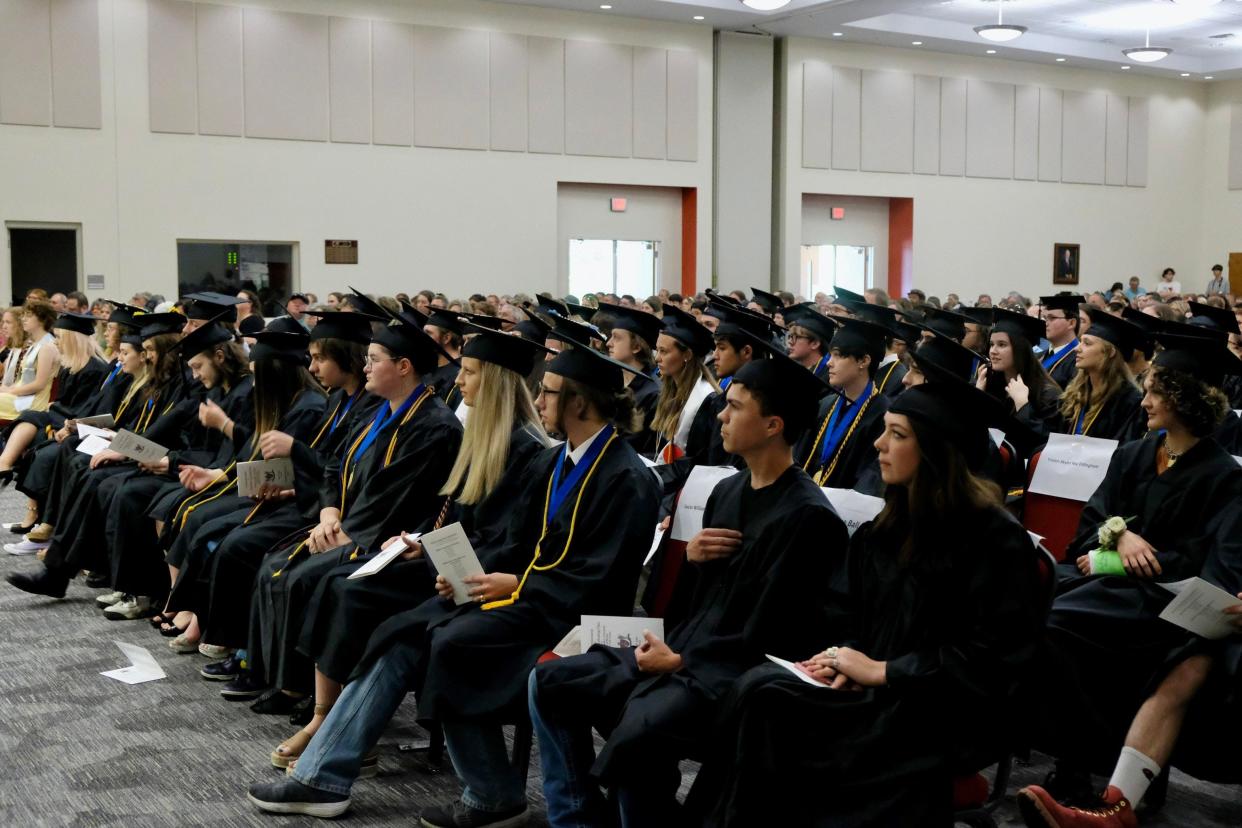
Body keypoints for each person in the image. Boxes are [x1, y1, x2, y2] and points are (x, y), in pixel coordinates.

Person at [246, 343, 661, 826]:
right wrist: (467, 572)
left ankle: (492, 794)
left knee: (452, 641)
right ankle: (324, 776)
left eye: (548, 393)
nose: (539, 401)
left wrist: (516, 583)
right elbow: (513, 540)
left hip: (574, 617)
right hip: (528, 599)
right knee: (404, 630)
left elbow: (601, 576)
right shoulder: (555, 465)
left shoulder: (626, 477)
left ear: (579, 403)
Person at [685, 380, 1046, 826]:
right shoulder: (888, 527)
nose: (878, 443)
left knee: (772, 714)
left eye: (897, 434)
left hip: (939, 710)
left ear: (936, 449)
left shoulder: (995, 541)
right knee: (759, 690)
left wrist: (885, 671)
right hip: (871, 689)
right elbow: (845, 611)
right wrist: (839, 657)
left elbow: (994, 659)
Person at [530, 350, 847, 827]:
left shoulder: (808, 517)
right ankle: (577, 818)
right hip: (688, 646)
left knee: (641, 729)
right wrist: (695, 563)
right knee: (549, 682)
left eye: (736, 406)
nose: (721, 415)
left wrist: (679, 660)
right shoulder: (729, 491)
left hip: (738, 673)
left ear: (773, 425)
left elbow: (778, 631)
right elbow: (704, 604)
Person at [271, 325, 551, 771]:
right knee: (338, 582)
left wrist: (435, 552)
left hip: (478, 577)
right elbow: (460, 520)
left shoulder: (527, 453)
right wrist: (422, 542)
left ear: (495, 384)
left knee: (351, 590)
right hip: (445, 561)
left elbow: (505, 540)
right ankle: (325, 717)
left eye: (471, 373)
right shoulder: (483, 437)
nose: (457, 381)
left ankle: (334, 727)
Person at [1018, 332, 1242, 825]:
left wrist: (1149, 555)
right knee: (1029, 606)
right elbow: (1090, 526)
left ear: (1187, 399)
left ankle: (1080, 763)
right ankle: (1068, 758)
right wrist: (1118, 537)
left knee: (1057, 627)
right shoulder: (1135, 454)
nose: (1144, 401)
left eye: (1156, 392)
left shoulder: (1225, 476)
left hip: (1162, 604)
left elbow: (1215, 566)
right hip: (1106, 585)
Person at [244, 314, 463, 720]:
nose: (365, 367)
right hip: (346, 524)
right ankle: (288, 682)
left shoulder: (434, 426)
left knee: (306, 575)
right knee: (277, 563)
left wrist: (346, 531)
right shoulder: (373, 413)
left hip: (386, 538)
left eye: (374, 359)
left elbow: (394, 495)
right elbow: (333, 467)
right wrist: (328, 512)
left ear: (403, 366)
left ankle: (313, 694)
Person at [796, 317, 890, 493]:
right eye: (830, 354)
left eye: (838, 355)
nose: (829, 362)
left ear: (863, 361)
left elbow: (872, 481)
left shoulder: (883, 415)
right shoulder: (825, 405)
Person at [1047, 308, 1145, 442]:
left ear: (1110, 352)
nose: (1077, 348)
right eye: (1080, 341)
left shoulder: (1130, 401)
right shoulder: (1077, 391)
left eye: (1087, 343)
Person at [975, 308, 1060, 458]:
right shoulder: (990, 384)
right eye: (992, 344)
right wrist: (977, 396)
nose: (993, 351)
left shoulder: (1047, 394)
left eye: (1001, 345)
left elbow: (1046, 447)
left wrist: (1023, 406)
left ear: (1020, 349)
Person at [651, 303, 717, 465]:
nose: (657, 358)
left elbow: (696, 460)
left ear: (687, 354)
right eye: (657, 350)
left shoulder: (706, 400)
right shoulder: (669, 391)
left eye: (664, 351)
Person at [603, 304, 662, 457]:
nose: (608, 343)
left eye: (616, 337)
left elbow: (642, 448)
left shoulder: (653, 394)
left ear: (636, 346)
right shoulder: (612, 383)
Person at [0, 299, 60, 419]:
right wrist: (8, 389)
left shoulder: (47, 346)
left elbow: (39, 384)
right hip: (23, 396)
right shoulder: (35, 344)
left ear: (42, 320)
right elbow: (23, 380)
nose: (23, 319)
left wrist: (9, 391)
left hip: (34, 402)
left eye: (29, 316)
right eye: (24, 316)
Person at [1041, 294, 1086, 390]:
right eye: (1045, 318)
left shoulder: (1079, 361)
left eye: (1052, 318)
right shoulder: (1039, 355)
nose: (1046, 323)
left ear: (1071, 323)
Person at [782, 303, 833, 382]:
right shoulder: (789, 369)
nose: (790, 342)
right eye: (790, 336)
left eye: (797, 337)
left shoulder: (828, 377)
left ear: (815, 344)